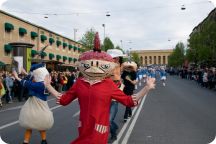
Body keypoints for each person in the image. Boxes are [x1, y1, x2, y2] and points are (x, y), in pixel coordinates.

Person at [44, 32, 156, 144]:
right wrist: (48, 86)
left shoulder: (108, 84)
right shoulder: (79, 83)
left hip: (99, 131)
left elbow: (129, 101)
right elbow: (63, 100)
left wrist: (146, 88)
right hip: (84, 129)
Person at [12, 64, 58, 144]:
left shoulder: (39, 85)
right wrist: (26, 73)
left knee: (30, 126)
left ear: (38, 76)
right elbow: (32, 78)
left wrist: (17, 77)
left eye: (34, 76)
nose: (33, 77)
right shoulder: (44, 84)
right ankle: (43, 141)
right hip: (41, 108)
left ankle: (26, 141)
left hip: (34, 108)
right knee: (40, 125)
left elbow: (28, 83)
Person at [107, 49, 126, 142]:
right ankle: (115, 127)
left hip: (114, 99)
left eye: (117, 57)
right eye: (114, 57)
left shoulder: (119, 65)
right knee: (106, 120)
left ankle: (114, 135)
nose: (115, 59)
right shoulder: (108, 65)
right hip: (106, 98)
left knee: (108, 120)